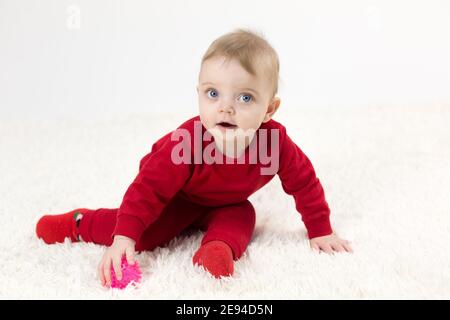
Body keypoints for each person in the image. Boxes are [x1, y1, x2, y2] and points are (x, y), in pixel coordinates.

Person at [36, 29, 353, 288]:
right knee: (149, 233)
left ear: (269, 109)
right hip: (177, 197)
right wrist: (124, 238)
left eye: (245, 97)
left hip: (229, 200)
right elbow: (147, 189)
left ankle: (217, 250)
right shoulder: (188, 142)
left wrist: (320, 229)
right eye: (213, 94)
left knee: (243, 217)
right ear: (199, 93)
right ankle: (79, 223)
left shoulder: (272, 143)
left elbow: (305, 184)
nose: (225, 108)